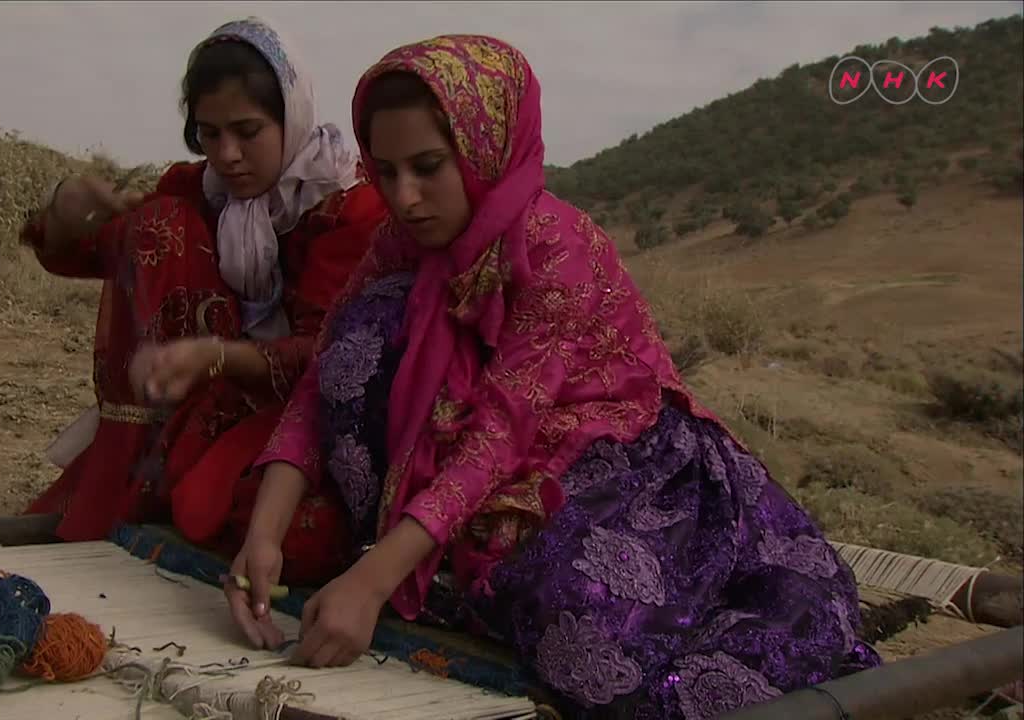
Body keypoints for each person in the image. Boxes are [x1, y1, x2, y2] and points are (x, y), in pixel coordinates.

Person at [223, 34, 883, 718]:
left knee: (580, 624)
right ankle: (420, 557)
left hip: (616, 454)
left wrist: (369, 582)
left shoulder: (557, 246)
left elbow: (500, 435)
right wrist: (263, 535)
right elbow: (317, 384)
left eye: (427, 167)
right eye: (385, 172)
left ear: (485, 150)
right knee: (363, 332)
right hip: (481, 457)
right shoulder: (398, 242)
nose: (406, 197)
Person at [21, 17, 388, 587]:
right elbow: (97, 249)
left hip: (308, 415)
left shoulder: (348, 210)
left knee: (305, 530)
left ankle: (171, 483)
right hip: (209, 404)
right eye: (209, 134)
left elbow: (324, 362)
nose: (228, 154)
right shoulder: (200, 190)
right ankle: (140, 473)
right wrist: (70, 205)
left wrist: (215, 355)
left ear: (291, 116)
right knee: (157, 225)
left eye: (247, 131)